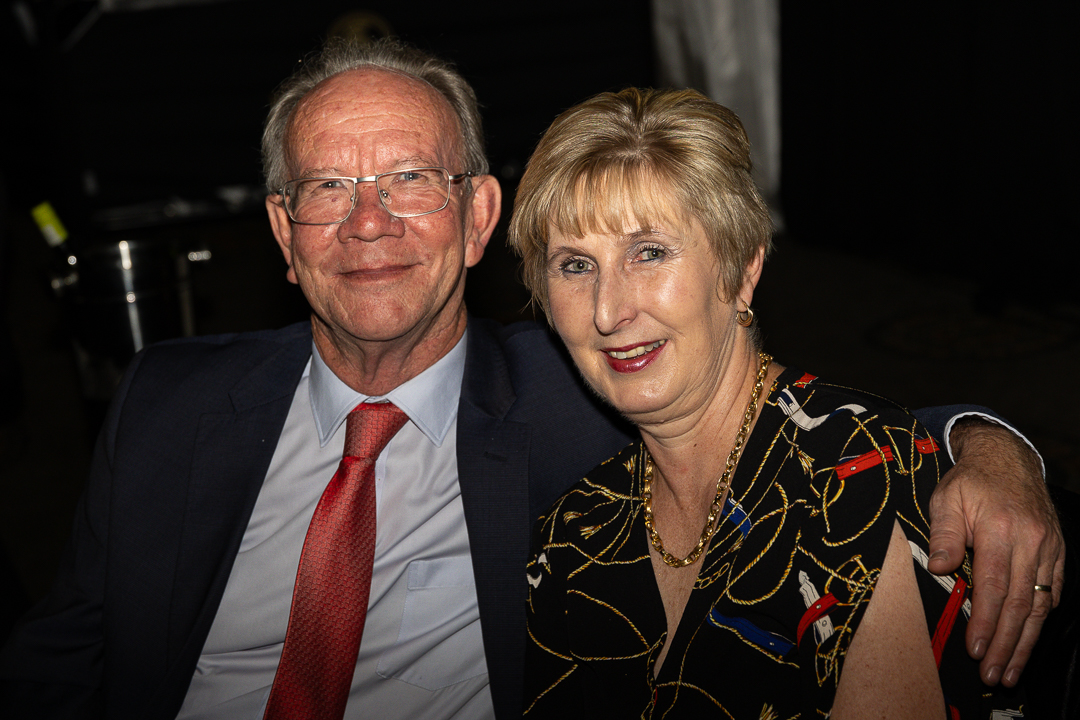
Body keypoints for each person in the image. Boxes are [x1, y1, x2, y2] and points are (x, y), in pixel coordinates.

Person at [0, 39, 1062, 720]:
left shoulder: (569, 398)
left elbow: (816, 440)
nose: (369, 223)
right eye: (327, 187)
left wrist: (992, 447)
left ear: (477, 218)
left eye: (410, 178)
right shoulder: (167, 403)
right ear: (283, 232)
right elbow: (61, 657)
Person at [508, 87, 1059, 717]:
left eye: (649, 252)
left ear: (742, 270)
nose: (609, 312)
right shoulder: (574, 533)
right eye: (575, 266)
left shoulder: (856, 486)